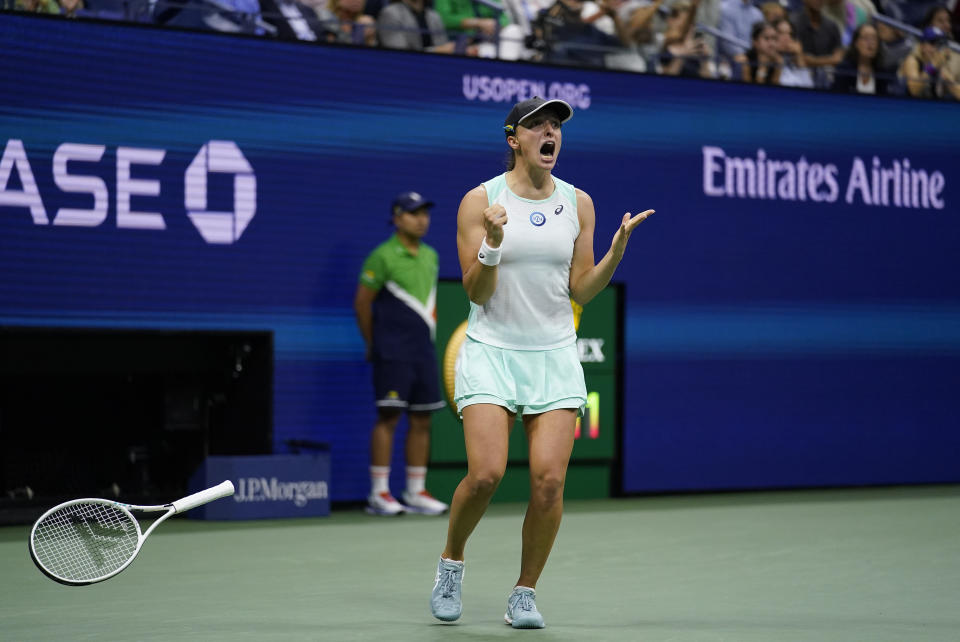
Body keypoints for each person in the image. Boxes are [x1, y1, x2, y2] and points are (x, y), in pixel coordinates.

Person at [428, 96, 654, 628]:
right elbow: (477, 294)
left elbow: (582, 288)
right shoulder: (478, 201)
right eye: (538, 126)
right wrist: (493, 243)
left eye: (557, 126)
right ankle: (451, 563)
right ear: (514, 139)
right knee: (485, 475)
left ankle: (524, 593)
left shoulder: (580, 203)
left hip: (553, 354)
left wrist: (615, 254)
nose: (551, 133)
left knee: (549, 482)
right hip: (491, 351)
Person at [354, 191, 449, 517]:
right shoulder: (381, 256)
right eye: (413, 213)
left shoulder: (432, 256)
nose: (421, 219)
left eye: (424, 212)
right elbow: (363, 303)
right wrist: (374, 343)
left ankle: (415, 490)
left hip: (423, 351)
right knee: (389, 418)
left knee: (422, 419)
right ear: (397, 218)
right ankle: (379, 493)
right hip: (392, 352)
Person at [900, 25, 959, 99]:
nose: (936, 48)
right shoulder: (912, 60)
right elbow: (914, 90)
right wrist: (932, 66)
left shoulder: (940, 64)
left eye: (940, 44)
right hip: (901, 105)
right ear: (922, 46)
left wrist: (948, 78)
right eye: (932, 43)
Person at [832, 21, 889, 94]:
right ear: (856, 43)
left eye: (874, 38)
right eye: (866, 38)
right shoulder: (844, 69)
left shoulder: (883, 72)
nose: (871, 43)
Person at [774, 16, 815, 87]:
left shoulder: (793, 60)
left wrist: (799, 56)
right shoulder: (767, 60)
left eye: (790, 34)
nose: (787, 38)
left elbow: (809, 86)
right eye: (781, 33)